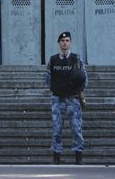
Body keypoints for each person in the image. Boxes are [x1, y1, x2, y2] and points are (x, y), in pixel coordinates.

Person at [45, 32, 87, 165]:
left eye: (67, 40)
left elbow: (85, 78)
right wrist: (56, 89)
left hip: (73, 99)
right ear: (59, 43)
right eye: (62, 40)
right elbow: (47, 79)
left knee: (76, 128)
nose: (65, 43)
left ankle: (78, 157)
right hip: (57, 99)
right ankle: (56, 157)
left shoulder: (76, 59)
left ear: (70, 43)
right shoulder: (53, 60)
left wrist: (78, 91)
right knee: (57, 129)